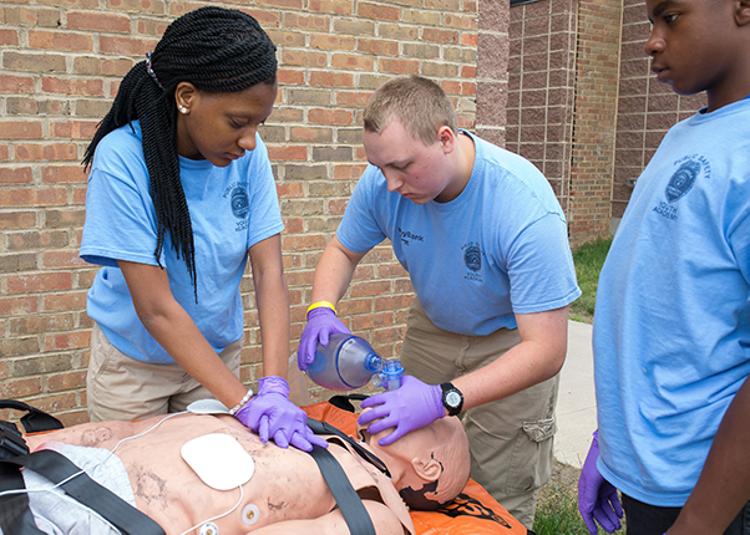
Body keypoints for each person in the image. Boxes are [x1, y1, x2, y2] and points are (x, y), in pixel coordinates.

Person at [297, 75, 581, 527]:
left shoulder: (523, 207)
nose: (390, 184)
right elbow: (343, 249)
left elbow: (546, 350)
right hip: (433, 327)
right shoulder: (384, 184)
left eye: (402, 166)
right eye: (379, 168)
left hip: (511, 342)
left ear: (445, 138)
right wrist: (322, 308)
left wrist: (443, 398)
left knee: (496, 487)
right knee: (404, 467)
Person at [78, 7, 324, 453]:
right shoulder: (122, 160)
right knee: (141, 497)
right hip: (134, 370)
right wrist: (243, 403)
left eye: (258, 124)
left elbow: (269, 273)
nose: (250, 140)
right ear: (186, 96)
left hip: (214, 363)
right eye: (237, 122)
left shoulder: (249, 156)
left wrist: (272, 386)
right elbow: (155, 308)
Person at [577, 1, 750, 534]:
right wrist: (613, 447)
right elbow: (661, 306)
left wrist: (700, 521)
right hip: (652, 469)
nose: (651, 41)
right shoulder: (686, 135)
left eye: (671, 17)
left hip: (713, 494)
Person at [15, 407, 471, 534]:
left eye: (424, 414)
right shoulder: (305, 423)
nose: (400, 394)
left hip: (111, 521)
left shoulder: (377, 509)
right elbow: (144, 429)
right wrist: (33, 443)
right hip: (45, 469)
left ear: (428, 465)